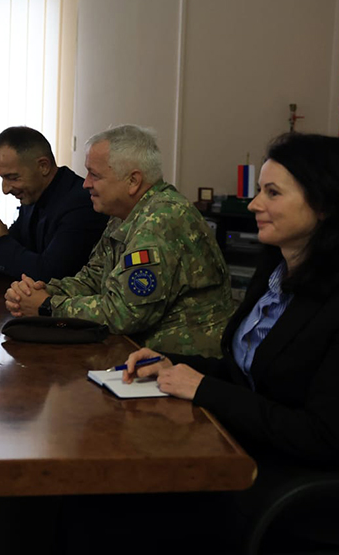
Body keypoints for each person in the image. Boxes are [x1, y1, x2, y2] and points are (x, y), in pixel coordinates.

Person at [90, 133, 339, 551]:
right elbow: (250, 374)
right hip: (241, 447)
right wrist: (172, 364)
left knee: (111, 517)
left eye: (272, 193)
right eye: (259, 190)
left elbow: (322, 435)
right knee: (97, 499)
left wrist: (204, 388)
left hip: (286, 480)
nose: (255, 204)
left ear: (326, 204)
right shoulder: (276, 273)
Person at [5, 125, 232, 356]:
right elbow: (92, 279)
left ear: (133, 181)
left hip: (181, 365)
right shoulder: (123, 215)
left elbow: (124, 314)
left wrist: (47, 305)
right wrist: (39, 291)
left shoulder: (163, 220)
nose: (85, 184)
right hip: (137, 354)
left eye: (95, 174)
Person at [0, 126, 107, 281]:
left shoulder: (82, 203)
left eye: (13, 177)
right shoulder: (33, 194)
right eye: (2, 178)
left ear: (43, 166)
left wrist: (1, 240)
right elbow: (17, 248)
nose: (5, 189)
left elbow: (49, 274)